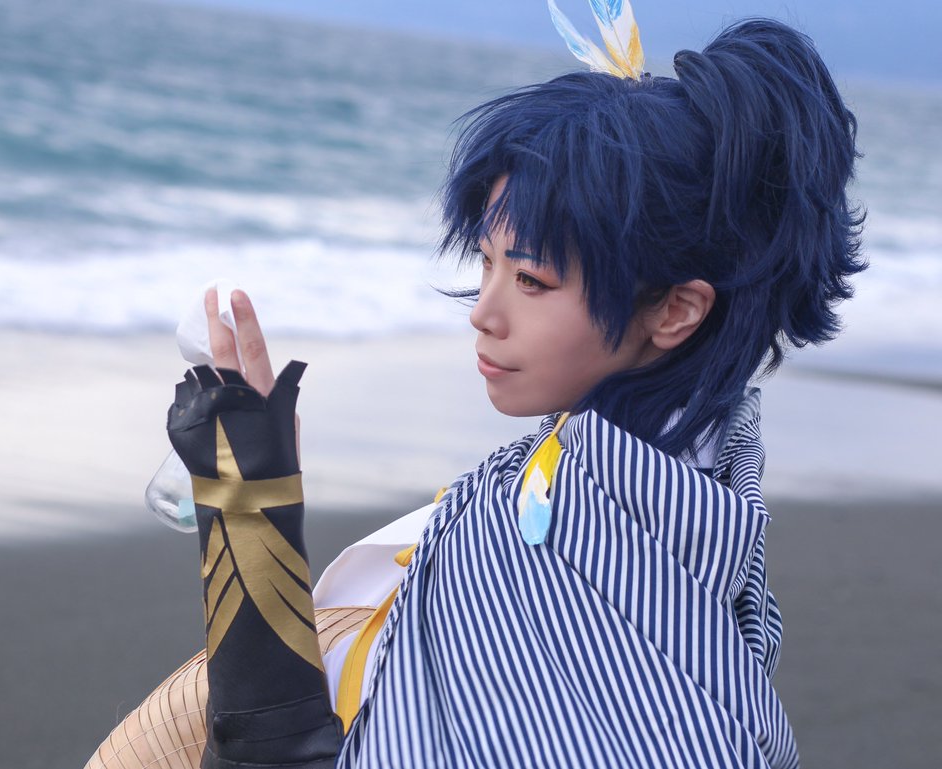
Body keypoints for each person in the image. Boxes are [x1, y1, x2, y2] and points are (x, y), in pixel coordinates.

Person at [85, 11, 863, 769]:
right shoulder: (653, 490)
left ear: (675, 309)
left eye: (532, 279)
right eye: (486, 262)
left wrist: (249, 512)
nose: (483, 313)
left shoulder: (591, 554)